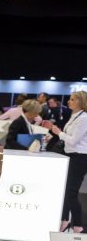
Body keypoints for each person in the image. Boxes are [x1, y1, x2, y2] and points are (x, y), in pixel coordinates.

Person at [50, 91, 87, 233]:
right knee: (66, 190)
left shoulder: (84, 118)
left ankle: (77, 225)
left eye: (72, 99)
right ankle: (65, 219)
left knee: (71, 192)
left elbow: (73, 140)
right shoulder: (74, 116)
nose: (68, 102)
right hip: (71, 156)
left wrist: (57, 132)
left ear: (80, 101)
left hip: (80, 157)